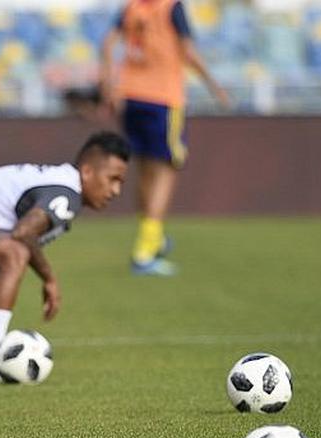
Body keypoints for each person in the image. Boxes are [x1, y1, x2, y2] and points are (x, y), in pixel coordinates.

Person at [0, 132, 130, 382]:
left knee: (14, 252)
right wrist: (49, 279)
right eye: (112, 179)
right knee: (15, 251)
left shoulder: (60, 183)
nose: (116, 190)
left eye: (120, 182)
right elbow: (23, 233)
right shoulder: (66, 193)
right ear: (87, 171)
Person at [100, 0, 230, 276]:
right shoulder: (171, 6)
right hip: (163, 98)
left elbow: (108, 43)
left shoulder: (132, 7)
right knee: (166, 170)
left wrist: (109, 83)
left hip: (130, 96)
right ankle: (145, 251)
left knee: (144, 170)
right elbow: (188, 51)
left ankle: (153, 237)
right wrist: (214, 86)